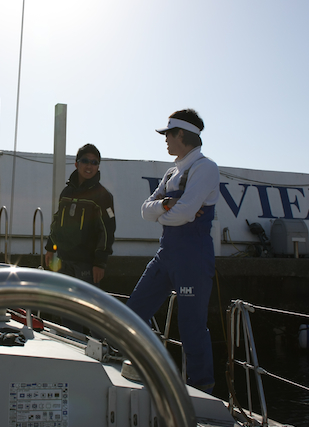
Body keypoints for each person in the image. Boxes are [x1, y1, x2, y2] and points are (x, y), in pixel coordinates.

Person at [125, 109, 219, 393]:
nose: (165, 140)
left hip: (193, 256)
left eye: (168, 134)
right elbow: (145, 211)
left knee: (191, 325)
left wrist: (164, 212)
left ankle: (201, 388)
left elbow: (183, 213)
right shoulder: (171, 173)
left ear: (181, 134)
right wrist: (169, 206)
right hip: (166, 254)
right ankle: (142, 364)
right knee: (134, 311)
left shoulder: (205, 168)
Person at [44, 144, 116, 286]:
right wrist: (50, 248)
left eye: (94, 162)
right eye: (85, 161)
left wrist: (100, 263)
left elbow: (107, 231)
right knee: (62, 300)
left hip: (87, 266)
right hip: (62, 262)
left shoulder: (103, 196)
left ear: (98, 167)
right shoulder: (66, 193)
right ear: (77, 164)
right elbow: (57, 223)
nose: (89, 166)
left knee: (85, 301)